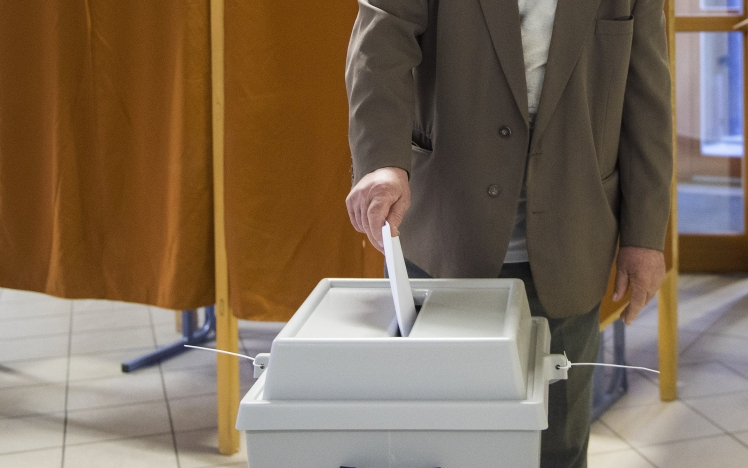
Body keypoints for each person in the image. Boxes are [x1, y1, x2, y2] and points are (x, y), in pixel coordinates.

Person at [344, 0, 672, 467]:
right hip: (445, 235)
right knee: (435, 440)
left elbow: (647, 95)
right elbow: (380, 45)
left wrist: (644, 234)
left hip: (572, 239)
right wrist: (382, 161)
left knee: (555, 442)